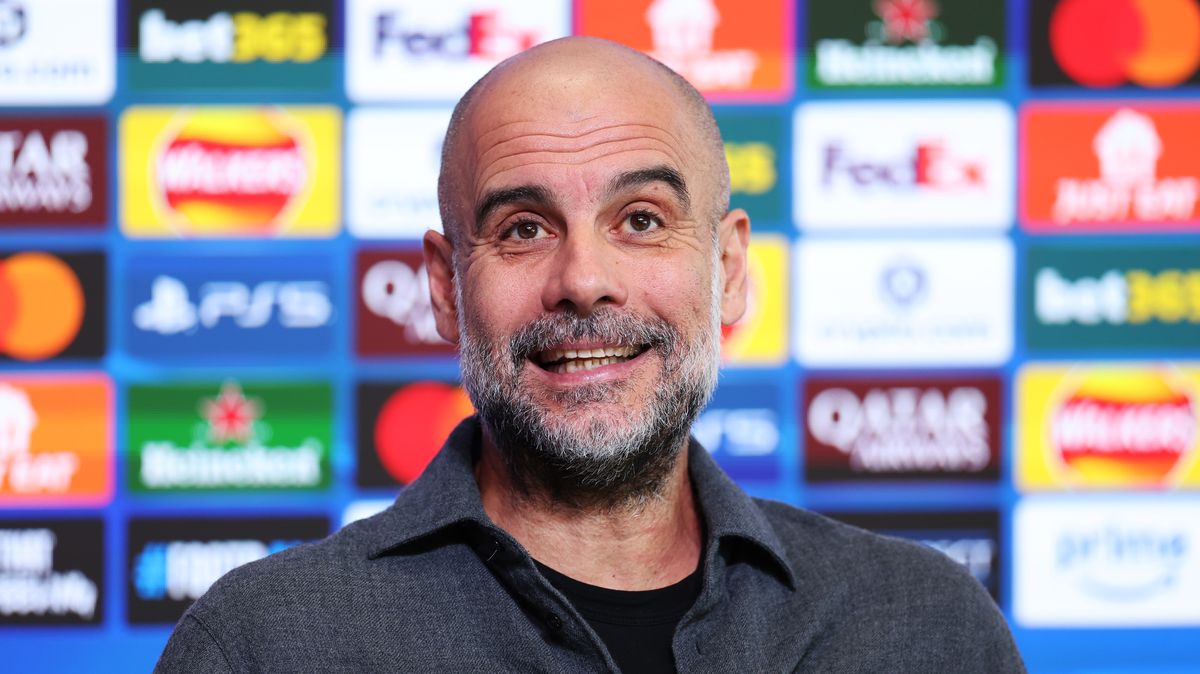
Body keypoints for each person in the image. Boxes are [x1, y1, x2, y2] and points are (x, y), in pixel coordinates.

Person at [156, 37, 1025, 673]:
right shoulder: (265, 645)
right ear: (446, 287)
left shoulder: (927, 628)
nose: (584, 280)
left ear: (726, 271)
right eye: (524, 228)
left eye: (641, 219)